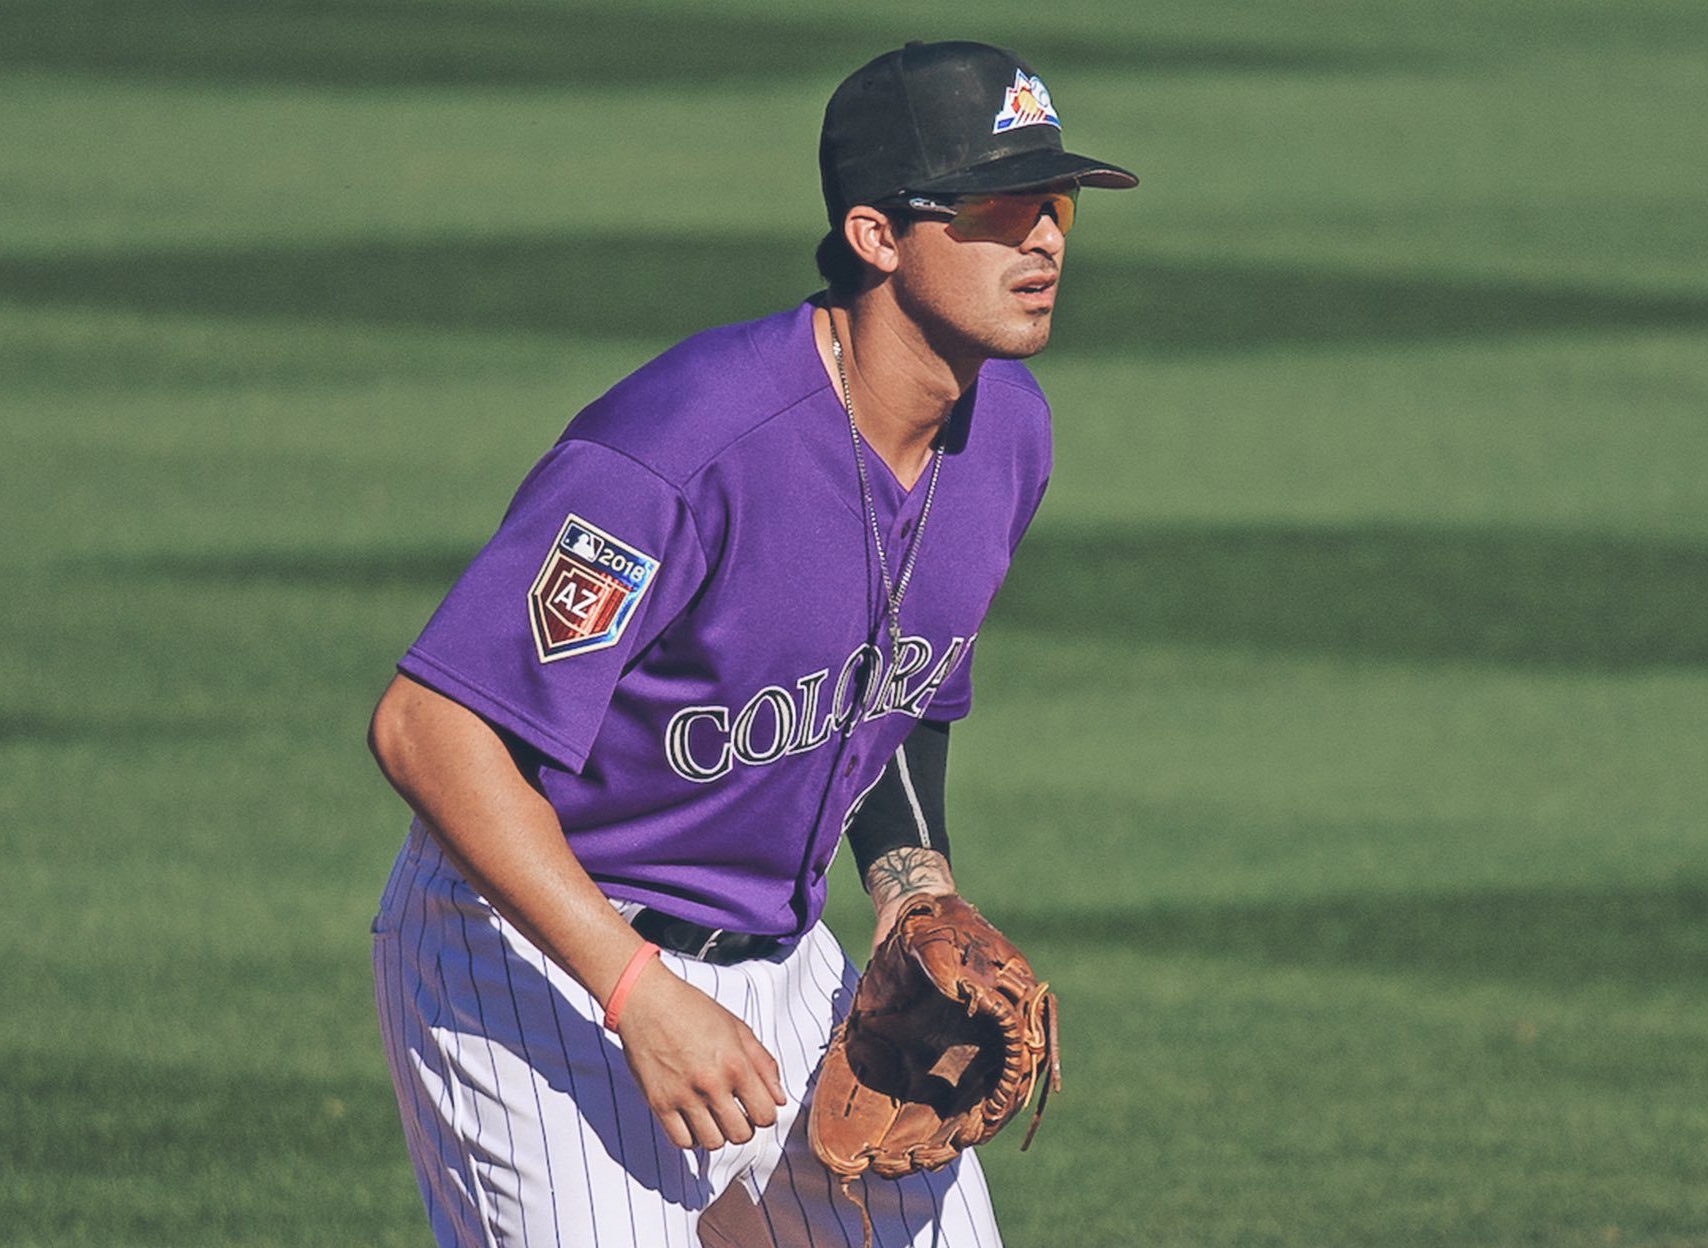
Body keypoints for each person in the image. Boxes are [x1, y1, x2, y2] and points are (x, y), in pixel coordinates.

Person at [366, 39, 1137, 1248]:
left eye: (1056, 205)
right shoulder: (681, 450)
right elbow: (429, 729)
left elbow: (890, 684)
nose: (1040, 238)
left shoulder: (1004, 436)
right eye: (996, 206)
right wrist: (633, 991)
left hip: (780, 962)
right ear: (877, 234)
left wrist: (910, 887)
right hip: (539, 951)